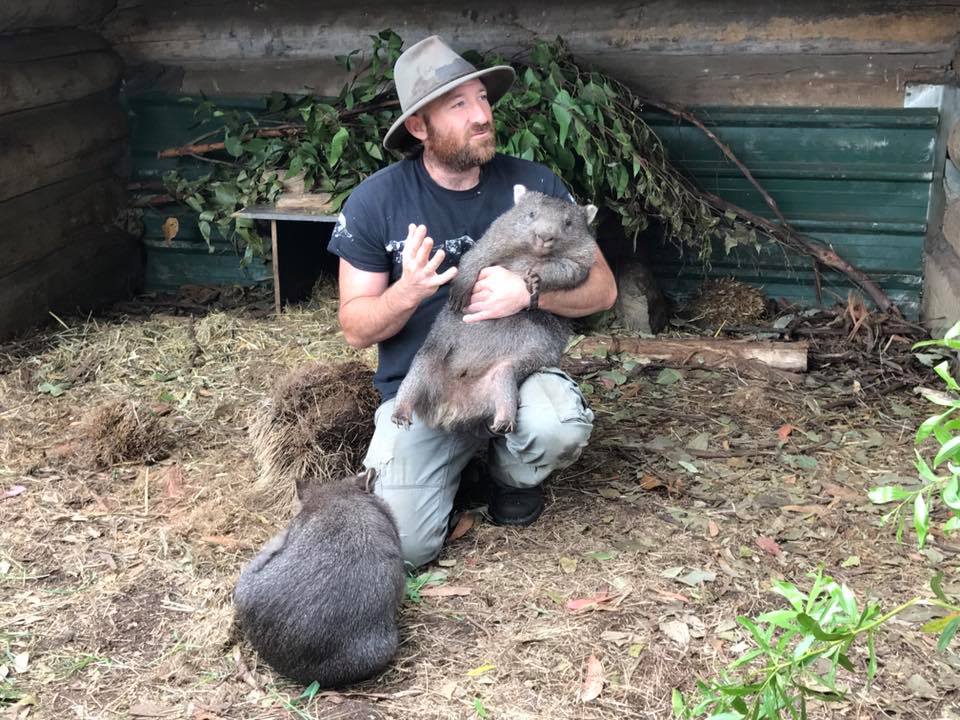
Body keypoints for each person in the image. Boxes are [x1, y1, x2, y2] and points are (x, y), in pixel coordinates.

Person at [327, 35, 617, 568]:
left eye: (482, 98)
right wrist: (407, 291)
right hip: (434, 383)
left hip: (514, 373)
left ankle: (511, 474)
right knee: (404, 549)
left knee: (557, 426)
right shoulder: (376, 201)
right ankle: (453, 469)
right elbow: (355, 327)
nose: (482, 114)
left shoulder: (536, 186)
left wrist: (531, 291)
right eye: (459, 105)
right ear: (420, 127)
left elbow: (604, 291)